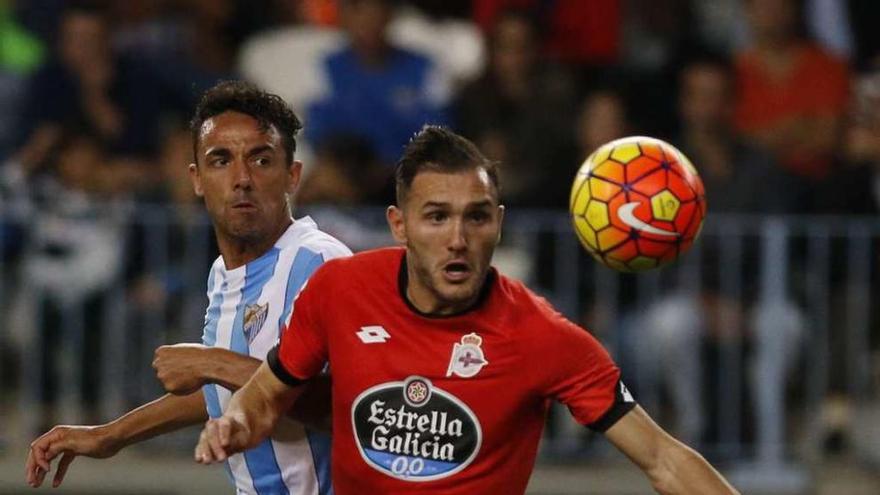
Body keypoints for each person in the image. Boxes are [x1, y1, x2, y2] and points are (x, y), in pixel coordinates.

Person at [194, 126, 739, 494]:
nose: (458, 238)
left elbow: (662, 459)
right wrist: (235, 422)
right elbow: (267, 394)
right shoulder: (339, 290)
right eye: (436, 217)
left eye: (476, 218)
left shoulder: (544, 337)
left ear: (498, 223)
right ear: (399, 224)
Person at [24, 80, 351, 494]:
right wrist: (109, 436)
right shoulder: (223, 272)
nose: (242, 179)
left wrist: (210, 362)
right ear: (196, 178)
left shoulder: (320, 264)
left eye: (261, 160)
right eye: (221, 160)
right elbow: (226, 391)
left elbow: (350, 407)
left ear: (293, 176)